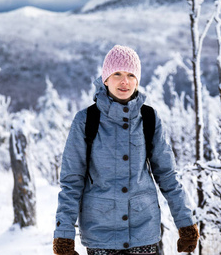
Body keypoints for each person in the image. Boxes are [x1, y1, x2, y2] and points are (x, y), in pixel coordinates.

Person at [53, 45, 199, 255]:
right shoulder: (86, 121)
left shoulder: (149, 118)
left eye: (131, 75)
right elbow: (71, 182)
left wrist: (186, 224)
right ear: (105, 79)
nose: (125, 81)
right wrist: (63, 235)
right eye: (118, 74)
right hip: (101, 236)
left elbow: (167, 175)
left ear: (137, 80)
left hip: (144, 232)